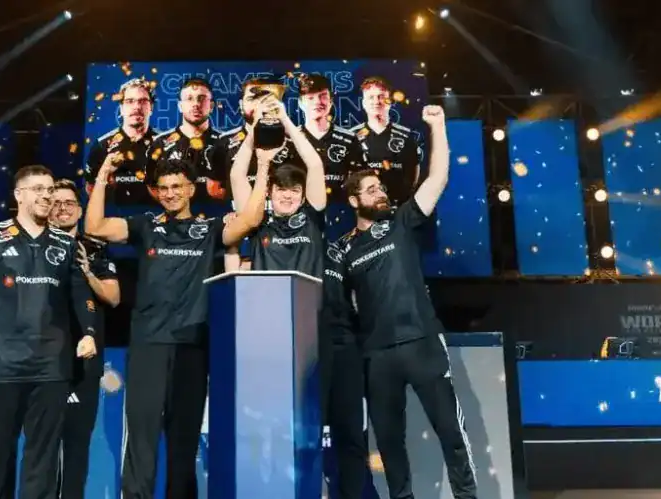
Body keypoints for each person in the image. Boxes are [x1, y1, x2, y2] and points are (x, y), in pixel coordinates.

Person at [84, 158, 267, 499]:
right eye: (163, 188)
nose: (170, 194)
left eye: (176, 187)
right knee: (142, 435)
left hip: (192, 345)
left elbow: (252, 220)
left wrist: (266, 163)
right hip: (148, 344)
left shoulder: (209, 229)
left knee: (184, 438)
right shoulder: (144, 226)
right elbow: (94, 226)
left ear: (190, 189)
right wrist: (103, 176)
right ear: (156, 192)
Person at [226, 95, 370, 499]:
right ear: (270, 192)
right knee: (278, 423)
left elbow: (316, 164)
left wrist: (288, 121)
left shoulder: (312, 217)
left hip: (314, 328)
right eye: (281, 190)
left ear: (303, 195)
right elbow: (237, 173)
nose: (288, 196)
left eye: (294, 190)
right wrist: (255, 131)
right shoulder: (258, 220)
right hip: (271, 334)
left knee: (320, 421)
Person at [337, 105, 477, 499]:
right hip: (377, 355)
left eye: (382, 187)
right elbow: (346, 305)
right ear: (353, 201)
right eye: (371, 190)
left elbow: (438, 177)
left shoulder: (402, 220)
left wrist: (438, 126)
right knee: (389, 442)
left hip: (422, 343)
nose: (381, 193)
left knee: (450, 430)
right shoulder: (344, 251)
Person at [0, 165, 100, 499]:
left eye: (50, 190)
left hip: (52, 367)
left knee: (43, 460)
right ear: (19, 195)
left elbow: (80, 293)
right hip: (1, 364)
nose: (47, 197)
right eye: (39, 190)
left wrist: (88, 332)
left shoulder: (66, 243)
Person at [48, 179, 121, 499]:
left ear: (80, 210)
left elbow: (114, 297)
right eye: (56, 203)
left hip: (85, 360)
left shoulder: (95, 248)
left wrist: (88, 272)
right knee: (42, 446)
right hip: (43, 361)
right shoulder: (33, 247)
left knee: (77, 446)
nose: (62, 209)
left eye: (69, 203)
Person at [297, 73, 367, 240]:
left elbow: (359, 182)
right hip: (301, 219)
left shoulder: (349, 139)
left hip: (341, 219)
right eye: (311, 97)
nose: (318, 102)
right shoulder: (292, 140)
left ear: (331, 101)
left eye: (323, 96)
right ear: (300, 103)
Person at [149, 78, 228, 206]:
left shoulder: (225, 142)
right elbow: (151, 186)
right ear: (180, 106)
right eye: (189, 99)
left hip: (217, 214)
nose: (196, 104)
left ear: (212, 106)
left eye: (201, 98)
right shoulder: (160, 144)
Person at [350, 76, 424, 206]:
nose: (376, 101)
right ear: (363, 103)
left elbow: (414, 177)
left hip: (400, 207)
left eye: (381, 96)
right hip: (366, 210)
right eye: (371, 97)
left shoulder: (406, 136)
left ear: (390, 101)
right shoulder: (352, 137)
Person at [85, 78, 160, 206]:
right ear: (121, 108)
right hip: (113, 216)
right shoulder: (102, 146)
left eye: (143, 101)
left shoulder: (162, 144)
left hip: (155, 216)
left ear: (151, 107)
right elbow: (90, 187)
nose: (137, 107)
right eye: (130, 101)